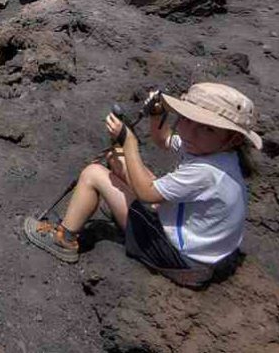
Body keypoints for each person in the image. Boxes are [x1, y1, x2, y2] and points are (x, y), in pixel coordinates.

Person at [24, 82, 262, 288]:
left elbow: (147, 194)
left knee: (93, 174)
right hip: (198, 247)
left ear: (233, 138)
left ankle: (64, 240)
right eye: (187, 120)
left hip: (178, 258)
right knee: (117, 158)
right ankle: (116, 203)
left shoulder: (207, 173)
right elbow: (164, 139)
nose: (190, 131)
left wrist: (129, 140)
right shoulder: (216, 153)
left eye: (207, 128)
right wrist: (157, 115)